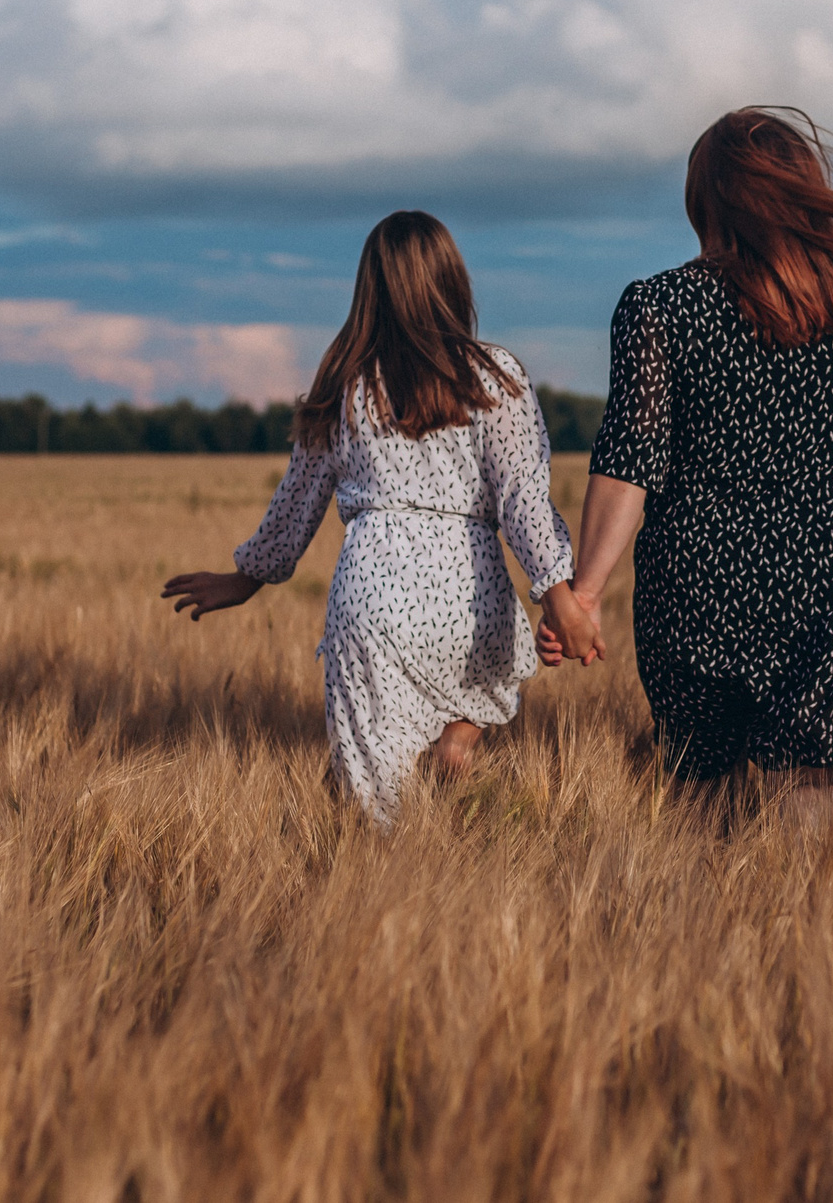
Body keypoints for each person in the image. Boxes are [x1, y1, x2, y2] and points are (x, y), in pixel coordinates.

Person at [536, 108, 833, 827]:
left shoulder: (659, 305)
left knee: (698, 783)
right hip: (832, 574)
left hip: (696, 579)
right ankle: (815, 932)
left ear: (704, 201)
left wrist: (585, 590)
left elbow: (631, 454)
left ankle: (693, 937)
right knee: (812, 775)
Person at [164, 210, 600, 825]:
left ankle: (382, 893)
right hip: (470, 601)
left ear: (369, 290)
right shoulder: (498, 376)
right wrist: (560, 598)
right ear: (455, 282)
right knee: (489, 677)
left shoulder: (345, 384)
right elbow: (523, 500)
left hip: (372, 599)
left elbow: (298, 500)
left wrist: (245, 579)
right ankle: (458, 741)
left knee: (377, 806)